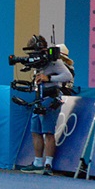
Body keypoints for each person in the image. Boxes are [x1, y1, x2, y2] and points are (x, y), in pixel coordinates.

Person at [18, 36, 71, 176]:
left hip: (50, 97)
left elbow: (67, 76)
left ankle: (48, 164)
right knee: (35, 131)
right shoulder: (38, 63)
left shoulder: (54, 61)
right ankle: (37, 162)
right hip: (38, 98)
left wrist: (49, 78)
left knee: (48, 132)